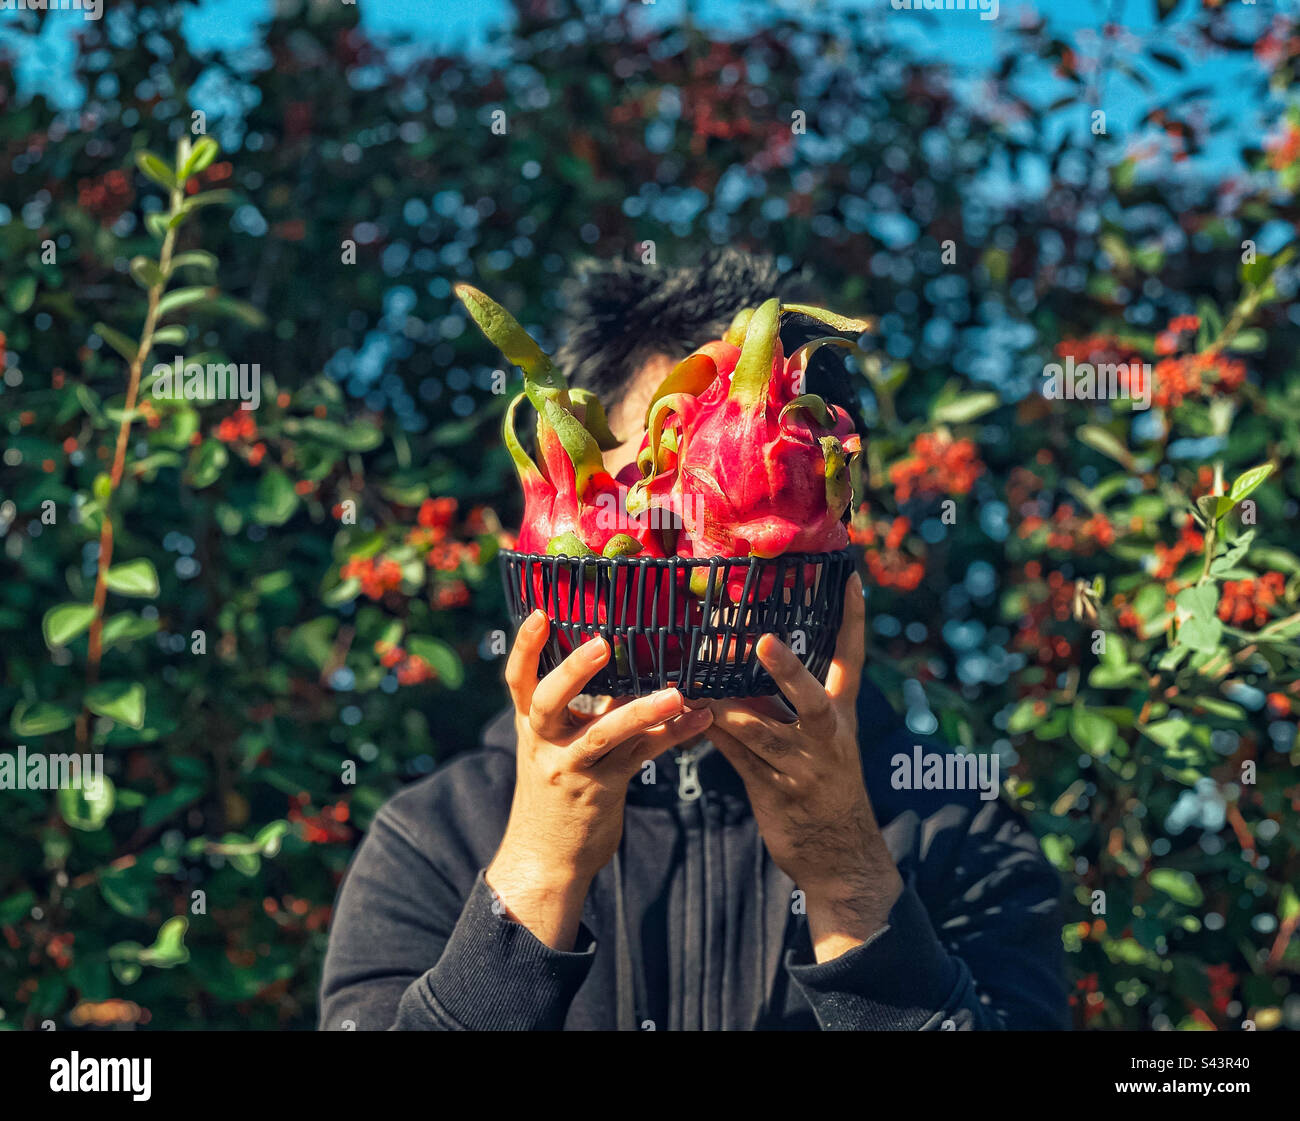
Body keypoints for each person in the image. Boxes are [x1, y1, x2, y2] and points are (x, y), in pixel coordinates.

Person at [319, 250, 1068, 1031]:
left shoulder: (956, 827)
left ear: (838, 513)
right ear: (578, 481)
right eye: (653, 482)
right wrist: (536, 875)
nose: (690, 560)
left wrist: (849, 880)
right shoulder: (435, 838)